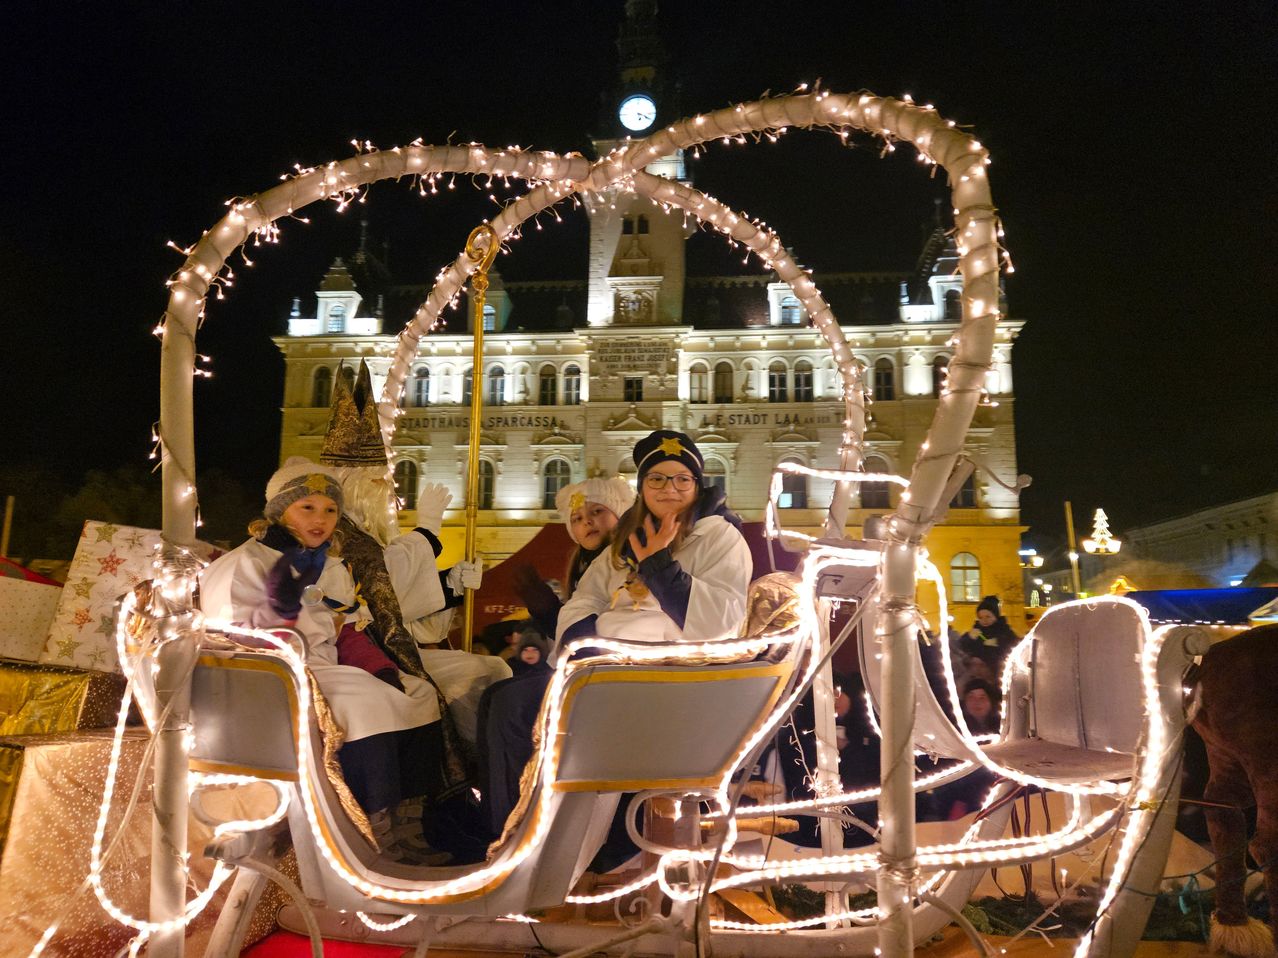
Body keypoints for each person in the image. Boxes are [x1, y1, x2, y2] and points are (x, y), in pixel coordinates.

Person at [199, 459, 444, 858]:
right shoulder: (245, 563)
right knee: (367, 706)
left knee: (419, 692)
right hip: (278, 677)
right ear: (280, 511)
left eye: (330, 510)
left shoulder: (324, 566)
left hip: (327, 668)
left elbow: (342, 627)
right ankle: (372, 827)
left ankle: (408, 821)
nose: (321, 520)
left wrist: (380, 668)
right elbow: (239, 636)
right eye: (306, 508)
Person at [477, 475, 635, 840]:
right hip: (578, 668)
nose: (587, 523)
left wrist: (552, 613)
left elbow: (605, 624)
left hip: (607, 672)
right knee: (493, 695)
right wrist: (545, 607)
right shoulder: (582, 565)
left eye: (597, 512)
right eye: (578, 518)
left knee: (511, 704)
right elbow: (568, 631)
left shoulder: (626, 558)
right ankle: (497, 816)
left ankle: (517, 826)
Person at [557, 430, 752, 652]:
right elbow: (584, 600)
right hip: (607, 667)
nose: (670, 488)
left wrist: (662, 571)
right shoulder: (624, 544)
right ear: (642, 489)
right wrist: (584, 650)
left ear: (696, 487)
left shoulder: (719, 538)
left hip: (675, 671)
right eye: (657, 479)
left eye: (683, 479)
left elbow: (723, 624)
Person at [958, 594, 1020, 682]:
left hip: (998, 677)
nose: (984, 620)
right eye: (981, 617)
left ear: (996, 616)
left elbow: (1013, 646)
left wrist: (998, 643)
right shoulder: (976, 631)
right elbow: (961, 647)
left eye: (988, 616)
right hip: (975, 677)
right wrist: (969, 637)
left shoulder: (1004, 631)